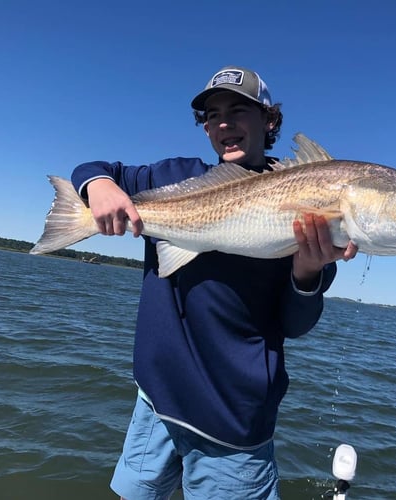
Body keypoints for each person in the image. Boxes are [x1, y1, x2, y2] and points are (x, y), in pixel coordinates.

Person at [71, 66, 357, 499]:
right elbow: (93, 169)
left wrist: (306, 272)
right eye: (212, 114)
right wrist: (99, 186)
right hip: (154, 403)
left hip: (233, 430)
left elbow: (295, 325)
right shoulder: (175, 176)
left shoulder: (317, 215)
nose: (224, 122)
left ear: (269, 121)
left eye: (239, 110)